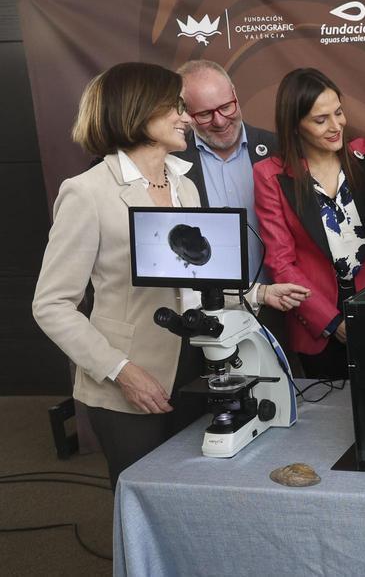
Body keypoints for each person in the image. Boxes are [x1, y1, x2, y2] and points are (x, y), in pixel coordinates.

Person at [31, 62, 309, 487]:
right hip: (127, 381)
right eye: (174, 108)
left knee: (196, 492)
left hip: (196, 368)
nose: (185, 117)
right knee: (144, 494)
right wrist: (122, 370)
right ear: (137, 115)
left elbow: (194, 281)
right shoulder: (87, 192)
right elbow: (51, 305)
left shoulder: (184, 186)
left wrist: (260, 293)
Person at [253, 68, 365, 380]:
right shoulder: (270, 175)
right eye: (321, 120)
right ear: (295, 126)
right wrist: (331, 322)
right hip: (318, 322)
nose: (336, 126)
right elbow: (280, 261)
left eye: (339, 112)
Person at [176, 60, 278, 279]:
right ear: (184, 113)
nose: (220, 121)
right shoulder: (172, 163)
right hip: (208, 304)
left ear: (235, 95)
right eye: (204, 114)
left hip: (280, 302)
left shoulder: (278, 150)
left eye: (225, 107)